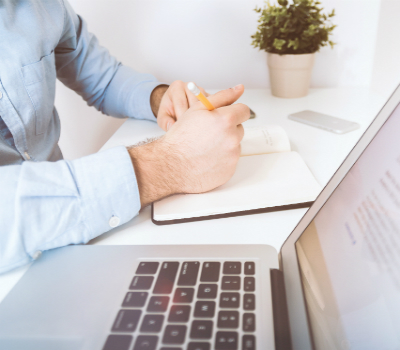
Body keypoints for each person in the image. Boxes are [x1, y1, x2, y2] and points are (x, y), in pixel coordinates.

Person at [0, 0, 249, 274]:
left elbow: (102, 78)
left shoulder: (44, 6)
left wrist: (159, 98)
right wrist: (170, 162)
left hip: (77, 238)